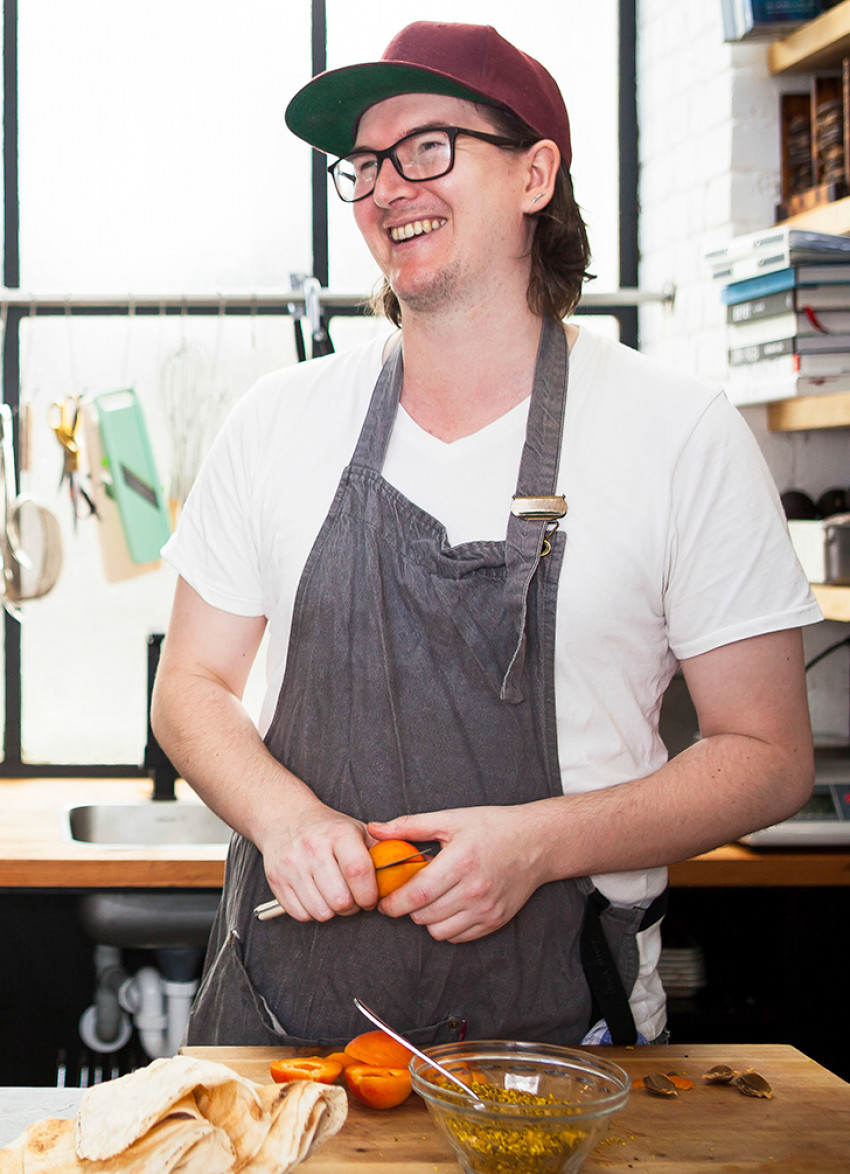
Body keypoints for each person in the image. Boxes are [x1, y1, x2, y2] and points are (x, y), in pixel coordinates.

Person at [152, 21, 821, 1049]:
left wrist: (541, 844)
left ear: (534, 174)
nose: (384, 188)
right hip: (289, 1040)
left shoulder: (676, 432)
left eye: (427, 148)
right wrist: (286, 819)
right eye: (363, 164)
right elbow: (190, 688)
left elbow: (768, 754)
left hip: (560, 1045)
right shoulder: (279, 420)